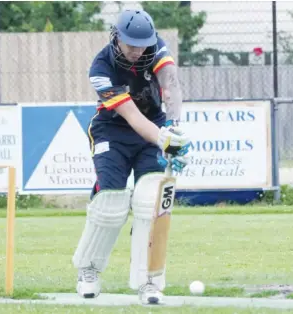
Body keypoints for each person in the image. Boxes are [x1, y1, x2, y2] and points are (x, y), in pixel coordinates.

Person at [72, 9, 190, 304]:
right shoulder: (100, 68)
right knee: (111, 200)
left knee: (151, 201)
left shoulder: (158, 49)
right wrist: (163, 139)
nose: (138, 51)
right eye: (131, 45)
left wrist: (175, 130)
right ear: (116, 38)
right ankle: (88, 270)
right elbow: (132, 116)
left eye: (143, 44)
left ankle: (149, 282)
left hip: (155, 126)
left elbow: (171, 85)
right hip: (112, 131)